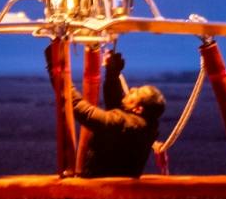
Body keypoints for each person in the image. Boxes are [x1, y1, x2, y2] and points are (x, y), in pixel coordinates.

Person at [53, 45, 166, 179]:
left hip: (98, 192)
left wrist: (57, 70)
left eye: (137, 93)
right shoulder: (145, 127)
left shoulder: (122, 124)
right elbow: (117, 107)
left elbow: (78, 107)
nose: (132, 89)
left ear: (138, 109)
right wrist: (112, 73)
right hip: (121, 193)